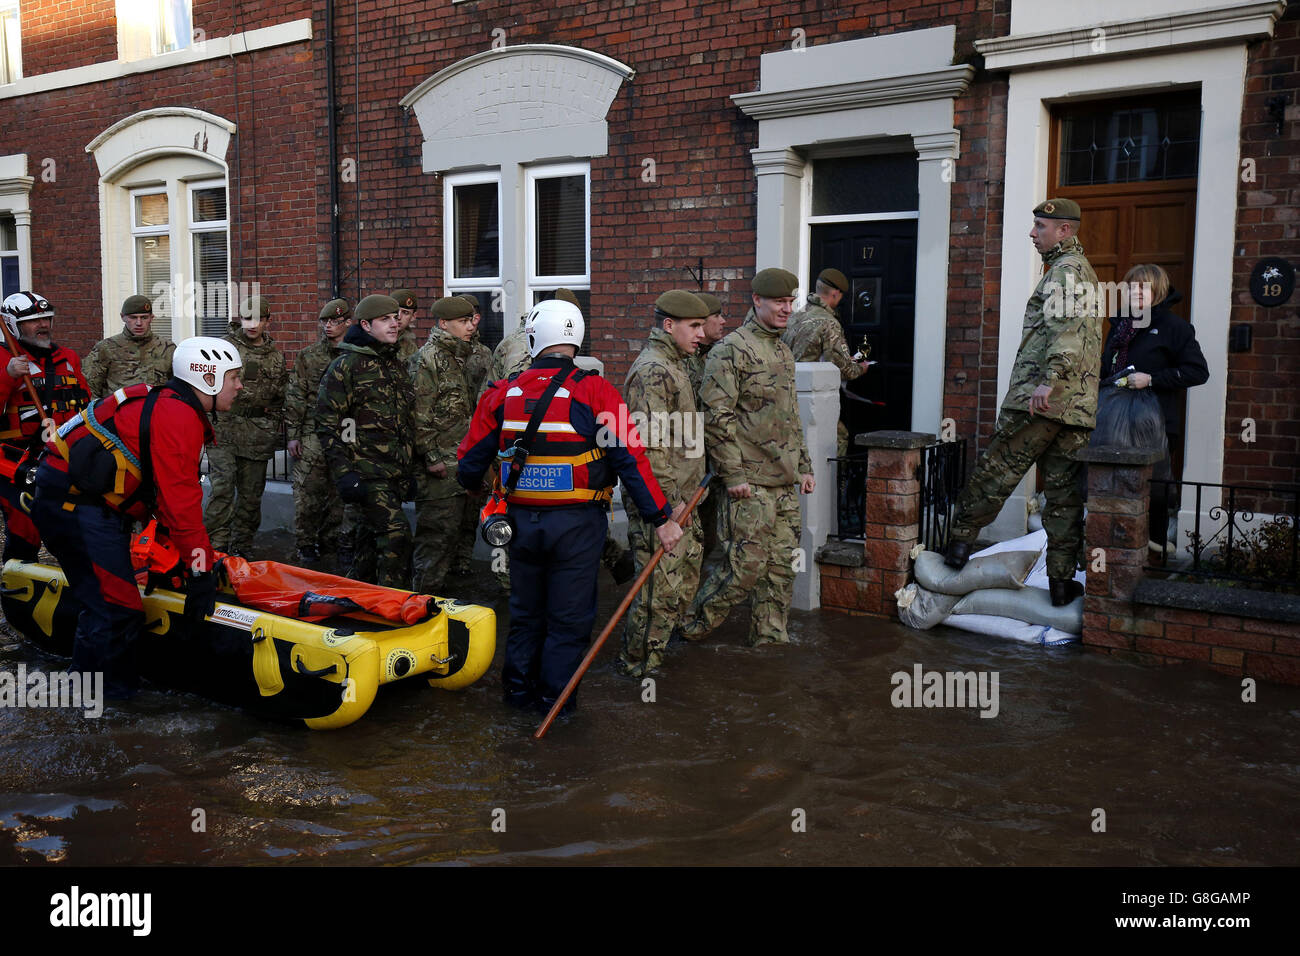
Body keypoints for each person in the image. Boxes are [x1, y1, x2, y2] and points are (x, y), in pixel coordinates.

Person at [457, 298, 683, 714]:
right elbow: (629, 459)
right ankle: (557, 706)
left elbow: (468, 463)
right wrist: (662, 519)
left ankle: (517, 698)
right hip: (577, 527)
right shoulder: (596, 391)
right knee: (569, 619)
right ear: (576, 340)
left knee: (525, 615)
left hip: (520, 524)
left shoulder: (502, 393)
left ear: (533, 339)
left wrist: (478, 488)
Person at [30, 336, 242, 698]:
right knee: (117, 609)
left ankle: (84, 686)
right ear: (208, 377)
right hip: (73, 506)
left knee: (103, 603)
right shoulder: (178, 416)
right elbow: (182, 505)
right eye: (234, 377)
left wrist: (188, 559)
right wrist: (200, 571)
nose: (240, 386)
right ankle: (111, 708)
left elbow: (161, 497)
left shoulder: (168, 404)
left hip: (74, 499)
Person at [943, 198, 1104, 607]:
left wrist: (1049, 382)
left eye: (1040, 227)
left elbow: (1066, 334)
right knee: (1064, 496)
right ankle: (1062, 583)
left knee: (996, 471)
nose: (1033, 234)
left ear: (1065, 230)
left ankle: (957, 547)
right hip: (1077, 409)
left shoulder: (1066, 274)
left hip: (1042, 401)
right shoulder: (1081, 271)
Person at [682, 268, 815, 647]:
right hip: (749, 486)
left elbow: (790, 418)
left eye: (791, 302)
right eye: (779, 302)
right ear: (757, 300)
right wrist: (734, 474)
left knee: (781, 569)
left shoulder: (784, 350)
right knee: (743, 569)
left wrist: (803, 466)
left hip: (785, 482)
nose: (787, 309)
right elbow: (717, 417)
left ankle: (770, 641)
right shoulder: (731, 349)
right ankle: (689, 629)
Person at [617, 290, 709, 677]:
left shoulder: (677, 364)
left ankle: (656, 657)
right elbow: (649, 447)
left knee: (680, 585)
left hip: (686, 498)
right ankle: (637, 665)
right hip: (665, 503)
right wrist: (666, 508)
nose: (701, 334)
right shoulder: (653, 370)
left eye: (703, 326)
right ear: (668, 325)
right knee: (658, 590)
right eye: (694, 326)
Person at [1099, 263, 1208, 551]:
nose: (1136, 292)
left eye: (1143, 287)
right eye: (1132, 286)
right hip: (1113, 423)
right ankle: (1117, 551)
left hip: (1155, 425)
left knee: (1154, 492)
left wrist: (1151, 380)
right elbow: (1104, 371)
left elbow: (1198, 372)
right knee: (1115, 488)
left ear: (1157, 292)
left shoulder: (1176, 328)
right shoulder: (1119, 327)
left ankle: (1155, 555)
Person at [317, 294, 415, 589]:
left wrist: (408, 469)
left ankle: (356, 601)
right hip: (366, 474)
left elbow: (404, 421)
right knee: (397, 537)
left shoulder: (394, 365)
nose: (394, 324)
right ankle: (394, 606)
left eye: (395, 318)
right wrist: (345, 472)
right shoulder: (346, 367)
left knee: (368, 547)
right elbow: (327, 424)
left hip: (393, 473)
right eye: (384, 319)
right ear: (365, 325)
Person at [0, 291, 91, 562]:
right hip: (17, 461)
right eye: (33, 320)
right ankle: (17, 587)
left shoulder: (68, 357)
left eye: (46, 318)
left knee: (71, 528)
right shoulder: (4, 359)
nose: (43, 325)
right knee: (24, 529)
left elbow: (85, 406)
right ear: (12, 324)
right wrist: (7, 376)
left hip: (62, 456)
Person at [204, 295, 287, 558]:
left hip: (257, 434)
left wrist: (275, 426)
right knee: (223, 489)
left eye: (259, 319)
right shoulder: (223, 348)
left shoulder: (275, 357)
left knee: (251, 497)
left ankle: (241, 549)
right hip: (224, 430)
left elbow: (281, 395)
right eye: (247, 318)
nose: (252, 324)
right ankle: (214, 547)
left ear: (267, 321)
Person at [410, 295, 477, 595]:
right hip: (439, 468)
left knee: (451, 537)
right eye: (462, 322)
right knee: (434, 540)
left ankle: (439, 605)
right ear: (443, 324)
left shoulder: (456, 356)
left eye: (470, 320)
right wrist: (431, 456)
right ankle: (420, 604)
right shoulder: (429, 359)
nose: (469, 326)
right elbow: (418, 413)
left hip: (457, 462)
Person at [285, 298, 350, 565]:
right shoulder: (309, 356)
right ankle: (305, 543)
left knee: (340, 493)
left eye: (335, 321)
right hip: (313, 432)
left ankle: (333, 540)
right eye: (324, 321)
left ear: (347, 322)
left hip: (346, 433)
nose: (329, 326)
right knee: (307, 492)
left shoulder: (355, 356)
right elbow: (296, 395)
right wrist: (293, 435)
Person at [782, 267, 872, 456]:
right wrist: (861, 368)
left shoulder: (795, 316)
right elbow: (843, 368)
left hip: (786, 393)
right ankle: (832, 486)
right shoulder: (828, 323)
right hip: (812, 394)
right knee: (838, 438)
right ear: (835, 293)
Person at [686, 291, 727, 560]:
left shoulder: (718, 356)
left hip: (712, 464)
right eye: (717, 316)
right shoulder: (683, 360)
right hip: (689, 465)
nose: (724, 321)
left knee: (710, 538)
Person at [81, 294, 177, 398]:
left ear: (151, 318)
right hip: (118, 411)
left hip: (156, 411)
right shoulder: (105, 348)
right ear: (123, 317)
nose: (139, 323)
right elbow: (88, 387)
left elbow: (178, 387)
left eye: (144, 317)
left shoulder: (167, 348)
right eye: (133, 318)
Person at [391, 288, 421, 364]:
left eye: (405, 312)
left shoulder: (410, 347)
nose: (399, 317)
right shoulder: (374, 338)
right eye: (395, 311)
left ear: (413, 316)